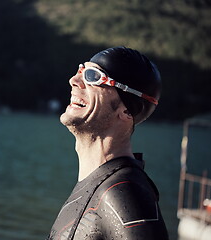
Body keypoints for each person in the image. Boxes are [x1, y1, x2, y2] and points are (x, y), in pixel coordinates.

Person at [47, 46, 169, 240]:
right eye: (80, 71)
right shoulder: (98, 183)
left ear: (127, 111)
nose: (74, 81)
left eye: (93, 76)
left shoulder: (126, 193)